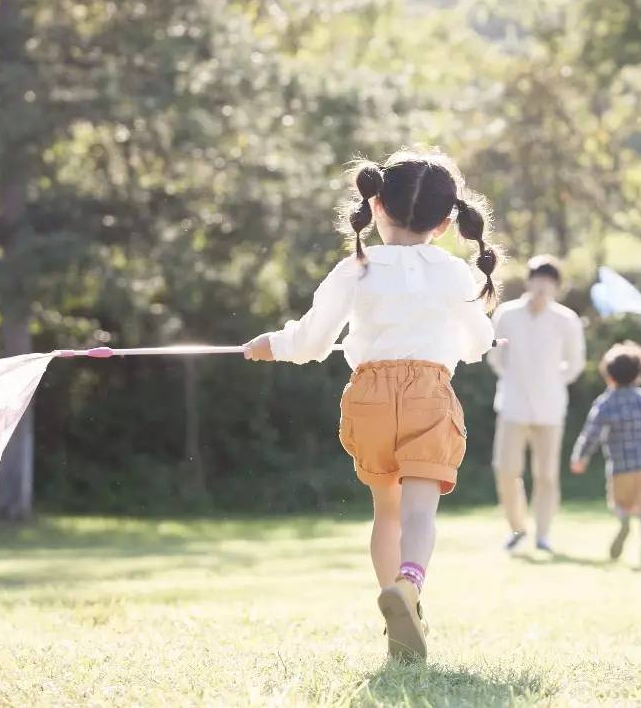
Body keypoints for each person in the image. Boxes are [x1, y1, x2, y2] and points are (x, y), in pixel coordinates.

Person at [243, 149, 498, 663]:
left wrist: (272, 344)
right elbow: (478, 344)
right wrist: (453, 339)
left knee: (388, 511)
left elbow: (312, 342)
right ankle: (410, 584)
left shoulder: (355, 268)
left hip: (370, 398)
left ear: (376, 204)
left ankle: (395, 616)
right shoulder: (453, 272)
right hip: (427, 394)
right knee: (420, 510)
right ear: (446, 223)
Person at [487, 255, 585, 553]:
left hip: (550, 409)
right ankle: (517, 528)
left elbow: (575, 363)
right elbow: (495, 357)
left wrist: (551, 382)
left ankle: (543, 535)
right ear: (528, 281)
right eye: (538, 279)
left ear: (556, 286)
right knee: (505, 469)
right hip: (512, 405)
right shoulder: (507, 314)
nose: (542, 286)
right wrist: (514, 380)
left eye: (549, 281)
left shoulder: (566, 319)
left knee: (546, 475)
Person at [570, 341, 641, 567]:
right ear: (639, 374)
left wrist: (580, 457)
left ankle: (624, 523)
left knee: (620, 504)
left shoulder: (604, 404)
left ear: (608, 376)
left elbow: (590, 434)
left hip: (620, 467)